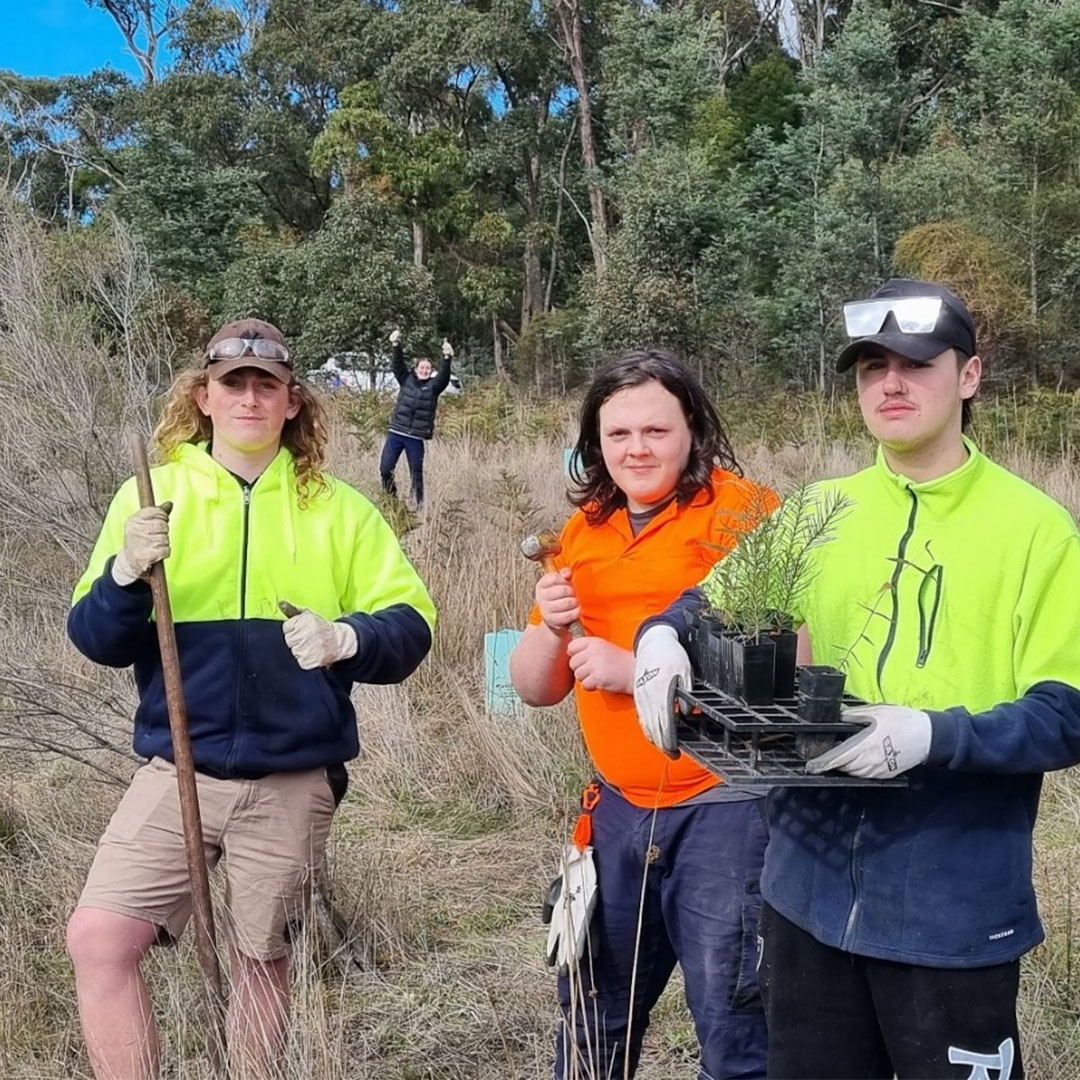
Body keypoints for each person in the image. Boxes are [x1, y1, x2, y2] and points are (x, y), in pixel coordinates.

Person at [634, 280, 1080, 1079]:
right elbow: (709, 603)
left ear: (969, 377)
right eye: (871, 366)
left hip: (953, 904)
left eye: (915, 363)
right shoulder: (818, 510)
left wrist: (934, 735)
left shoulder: (1038, 531)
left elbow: (1065, 714)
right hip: (803, 895)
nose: (891, 383)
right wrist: (662, 637)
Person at [65, 317, 436, 1080]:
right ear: (203, 396)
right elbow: (95, 639)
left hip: (293, 778)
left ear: (293, 401)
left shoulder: (339, 510)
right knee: (99, 939)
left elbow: (413, 624)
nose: (249, 397)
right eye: (232, 382)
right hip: (178, 771)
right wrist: (127, 574)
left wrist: (347, 638)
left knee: (260, 961)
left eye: (266, 384)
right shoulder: (149, 498)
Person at [509, 348, 773, 1080]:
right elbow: (534, 688)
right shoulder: (585, 531)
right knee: (592, 1018)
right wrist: (549, 627)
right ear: (595, 444)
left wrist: (644, 676)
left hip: (725, 805)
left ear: (692, 428)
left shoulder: (744, 511)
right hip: (618, 810)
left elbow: (782, 674)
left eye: (655, 431)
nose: (637, 449)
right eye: (618, 435)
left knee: (735, 1026)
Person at [378, 329, 453, 508]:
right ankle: (392, 501)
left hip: (415, 438)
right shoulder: (406, 380)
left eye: (428, 368)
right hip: (396, 432)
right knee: (385, 469)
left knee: (416, 475)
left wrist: (447, 358)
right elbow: (397, 364)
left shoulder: (434, 387)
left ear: (431, 371)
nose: (425, 370)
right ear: (416, 368)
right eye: (422, 367)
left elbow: (444, 377)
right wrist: (396, 345)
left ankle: (418, 507)